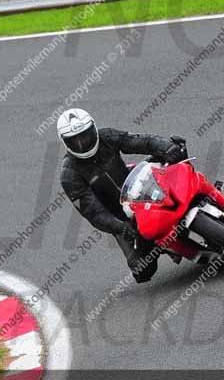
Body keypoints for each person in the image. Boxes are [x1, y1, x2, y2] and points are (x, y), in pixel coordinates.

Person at [58, 108, 187, 283]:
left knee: (175, 153)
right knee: (142, 271)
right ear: (65, 142)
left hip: (140, 188)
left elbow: (142, 141)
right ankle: (164, 245)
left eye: (86, 136)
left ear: (93, 130)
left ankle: (209, 196)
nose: (82, 144)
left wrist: (166, 147)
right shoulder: (69, 174)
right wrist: (120, 227)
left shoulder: (107, 137)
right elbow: (93, 212)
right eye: (75, 141)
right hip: (121, 218)